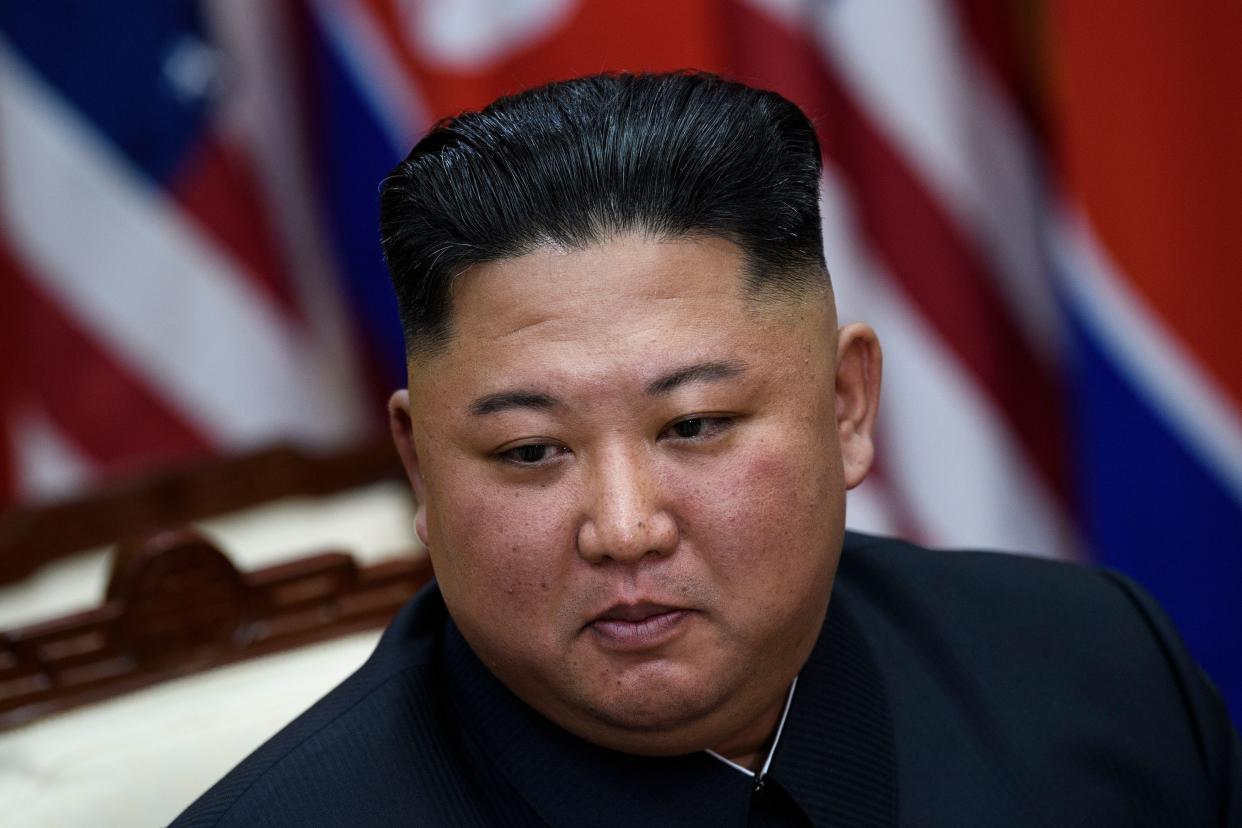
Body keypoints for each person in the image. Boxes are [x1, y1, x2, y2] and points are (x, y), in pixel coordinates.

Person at [173, 72, 1240, 827]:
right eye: (532, 451)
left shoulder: (1101, 675)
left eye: (693, 427)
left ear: (846, 405)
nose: (625, 528)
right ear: (420, 468)